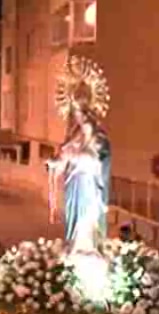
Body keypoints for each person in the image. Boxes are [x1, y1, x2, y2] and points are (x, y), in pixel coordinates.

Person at [47, 100, 111, 252]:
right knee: (74, 218)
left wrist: (74, 156)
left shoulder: (98, 138)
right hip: (73, 184)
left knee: (86, 218)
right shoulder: (73, 137)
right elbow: (63, 159)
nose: (78, 119)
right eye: (75, 114)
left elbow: (96, 160)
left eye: (79, 114)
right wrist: (56, 164)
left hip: (87, 184)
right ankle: (73, 244)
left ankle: (88, 246)